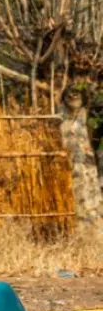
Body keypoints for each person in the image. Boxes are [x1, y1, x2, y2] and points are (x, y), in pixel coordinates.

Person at [60, 84, 103, 226]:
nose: (73, 98)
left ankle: (92, 224)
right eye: (70, 96)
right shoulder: (60, 117)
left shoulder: (87, 115)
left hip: (86, 162)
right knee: (71, 194)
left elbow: (93, 139)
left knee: (89, 194)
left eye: (76, 95)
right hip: (66, 162)